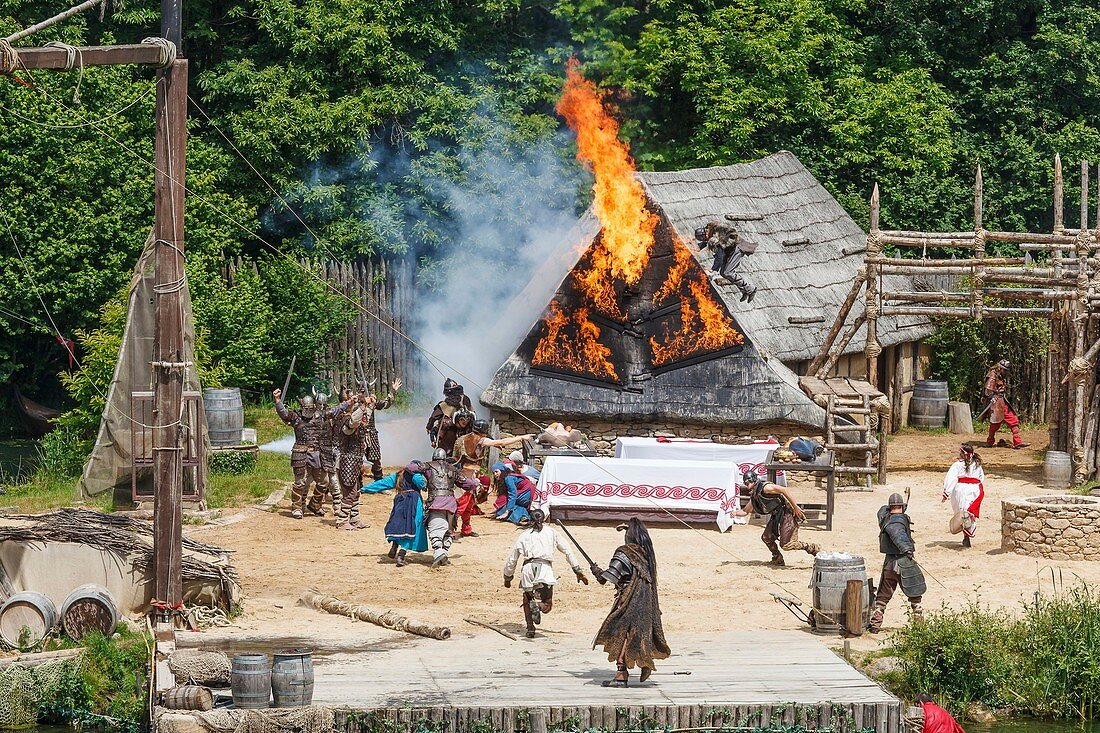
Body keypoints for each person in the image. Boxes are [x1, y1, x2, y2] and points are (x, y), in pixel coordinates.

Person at [589, 518, 670, 687]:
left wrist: (597, 572)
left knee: (621, 634)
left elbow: (610, 577)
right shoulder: (645, 553)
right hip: (645, 601)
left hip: (629, 600)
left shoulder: (624, 552)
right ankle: (640, 663)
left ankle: (621, 674)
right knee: (633, 634)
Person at [503, 508, 588, 638]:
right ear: (543, 519)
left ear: (530, 520)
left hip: (528, 569)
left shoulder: (524, 535)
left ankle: (530, 628)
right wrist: (577, 570)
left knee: (527, 598)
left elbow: (512, 558)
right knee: (547, 604)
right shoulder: (552, 532)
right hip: (544, 569)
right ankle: (538, 605)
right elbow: (567, 550)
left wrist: (508, 577)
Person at [452, 419, 534, 538]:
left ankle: (466, 529)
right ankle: (450, 531)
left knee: (469, 505)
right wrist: (521, 438)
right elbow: (503, 441)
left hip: (466, 474)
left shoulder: (465, 437)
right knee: (461, 506)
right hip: (464, 476)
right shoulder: (479, 439)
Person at [869, 492, 926, 633]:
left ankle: (875, 625)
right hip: (904, 562)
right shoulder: (896, 522)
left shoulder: (884, 517)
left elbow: (882, 509)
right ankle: (919, 628)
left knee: (883, 597)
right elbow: (898, 534)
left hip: (889, 564)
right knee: (915, 597)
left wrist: (899, 508)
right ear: (900, 506)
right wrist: (907, 549)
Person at [738, 469, 819, 566]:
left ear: (753, 480)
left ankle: (812, 548)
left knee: (786, 545)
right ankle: (777, 559)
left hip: (786, 514)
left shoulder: (765, 488)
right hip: (776, 516)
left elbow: (784, 490)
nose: (746, 485)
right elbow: (745, 511)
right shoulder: (755, 495)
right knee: (766, 537)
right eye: (745, 483)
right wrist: (732, 513)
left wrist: (795, 507)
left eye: (747, 482)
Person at [273, 388, 328, 520]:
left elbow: (336, 412)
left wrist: (348, 402)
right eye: (306, 408)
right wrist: (278, 400)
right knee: (300, 483)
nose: (308, 411)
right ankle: (297, 507)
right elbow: (284, 414)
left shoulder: (320, 416)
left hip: (317, 454)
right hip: (301, 453)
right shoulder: (296, 417)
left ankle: (314, 505)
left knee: (324, 482)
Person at [422, 448, 471, 568]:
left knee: (436, 527)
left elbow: (411, 468)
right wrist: (475, 482)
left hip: (435, 502)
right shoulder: (453, 469)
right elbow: (468, 484)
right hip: (451, 503)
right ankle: (443, 553)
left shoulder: (428, 466)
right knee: (448, 529)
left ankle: (439, 552)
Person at [335, 392, 374, 530]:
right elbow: (354, 421)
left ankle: (355, 519)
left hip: (354, 463)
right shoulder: (347, 423)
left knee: (356, 492)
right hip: (346, 462)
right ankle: (342, 520)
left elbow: (363, 419)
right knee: (350, 493)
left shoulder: (358, 422)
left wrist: (370, 406)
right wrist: (363, 406)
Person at [379, 461, 429, 567]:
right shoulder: (416, 476)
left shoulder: (398, 475)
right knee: (412, 526)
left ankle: (394, 545)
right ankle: (401, 555)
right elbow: (422, 485)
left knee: (399, 524)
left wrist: (365, 489)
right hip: (414, 502)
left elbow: (382, 483)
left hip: (400, 500)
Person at [695, 221, 757, 303]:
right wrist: (693, 249)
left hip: (736, 248)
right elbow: (704, 243)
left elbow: (719, 258)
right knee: (723, 273)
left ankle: (750, 289)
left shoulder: (714, 238)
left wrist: (713, 269)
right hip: (729, 250)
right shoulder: (710, 230)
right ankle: (745, 290)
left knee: (728, 272)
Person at [315, 389, 353, 518]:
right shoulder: (308, 415)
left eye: (323, 404)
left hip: (327, 449)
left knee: (332, 477)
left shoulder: (328, 414)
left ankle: (337, 504)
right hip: (313, 450)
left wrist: (348, 402)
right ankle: (309, 504)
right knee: (309, 479)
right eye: (319, 404)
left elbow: (338, 410)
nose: (321, 406)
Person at [942, 444, 985, 548]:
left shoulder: (957, 465)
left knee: (963, 513)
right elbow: (981, 477)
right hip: (975, 490)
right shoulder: (977, 463)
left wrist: (946, 493)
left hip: (961, 490)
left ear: (962, 453)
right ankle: (967, 536)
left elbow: (951, 478)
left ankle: (966, 536)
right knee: (968, 513)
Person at [983, 359, 1029, 449]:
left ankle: (1017, 442)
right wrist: (991, 396)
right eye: (1004, 370)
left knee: (1013, 420)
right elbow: (988, 389)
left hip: (1002, 400)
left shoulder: (999, 375)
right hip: (996, 402)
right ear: (1000, 368)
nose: (1006, 372)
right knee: (995, 424)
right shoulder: (993, 374)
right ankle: (990, 441)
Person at [362, 378, 401, 481]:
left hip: (371, 434)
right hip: (358, 435)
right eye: (361, 390)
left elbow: (385, 404)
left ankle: (379, 482)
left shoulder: (372, 402)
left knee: (376, 460)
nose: (363, 392)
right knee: (356, 460)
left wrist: (392, 391)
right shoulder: (355, 403)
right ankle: (357, 485)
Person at [426, 378, 474, 451]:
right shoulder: (467, 399)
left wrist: (429, 427)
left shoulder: (446, 404)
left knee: (443, 425)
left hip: (451, 431)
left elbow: (433, 417)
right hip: (466, 431)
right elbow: (473, 413)